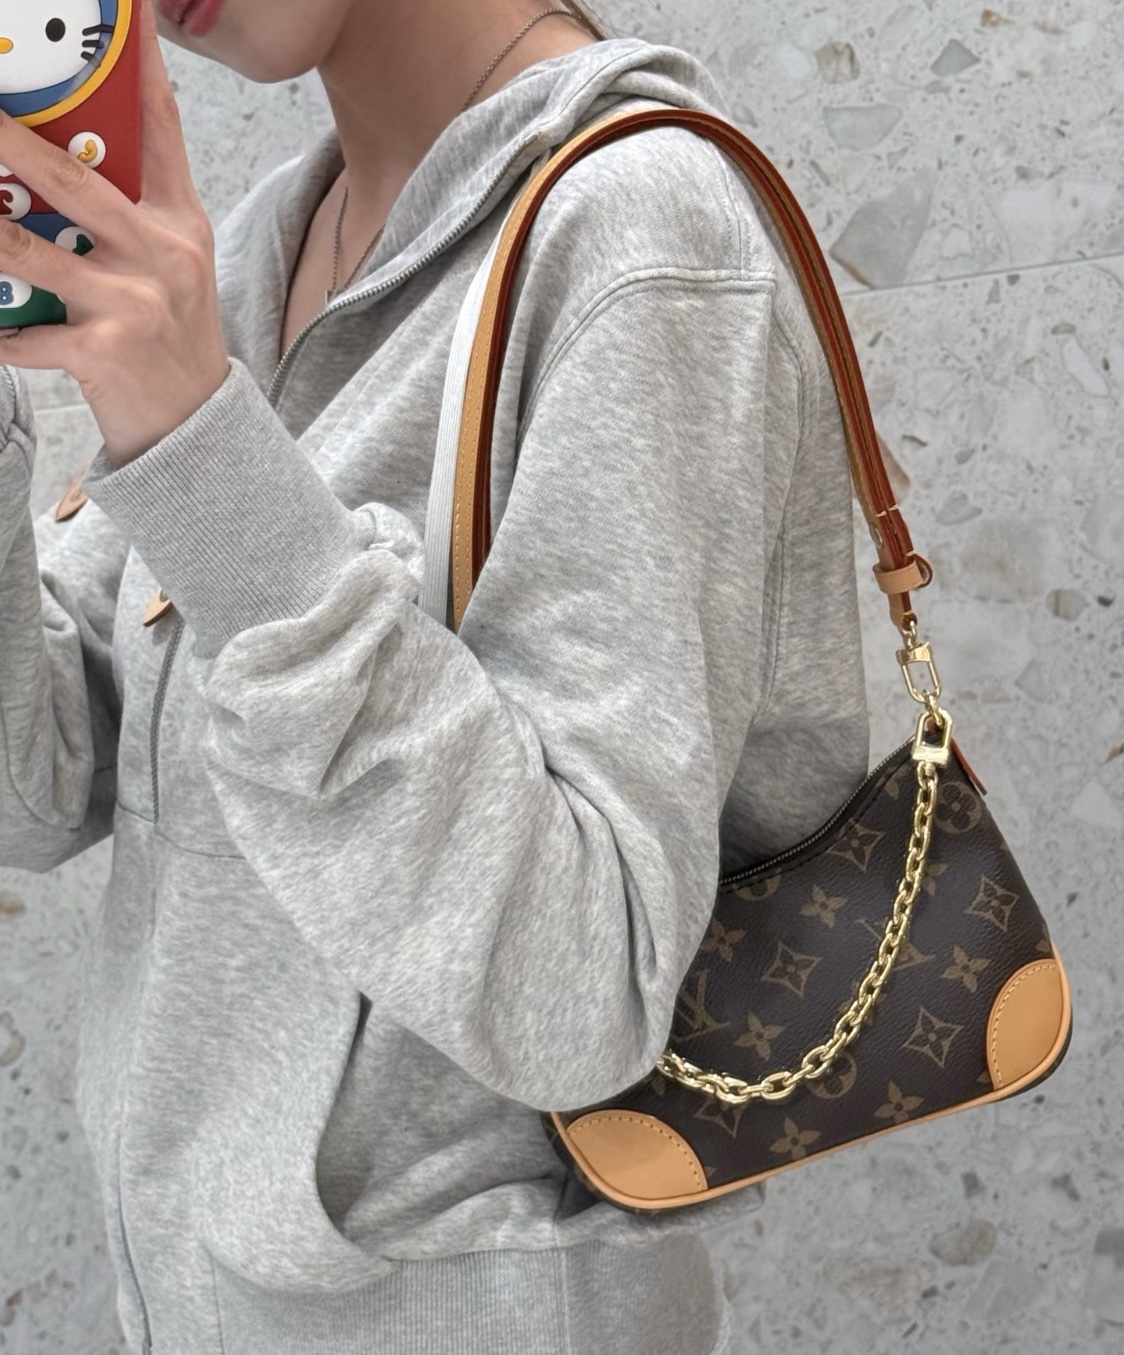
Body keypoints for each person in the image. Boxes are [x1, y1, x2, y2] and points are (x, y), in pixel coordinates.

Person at [0, 0, 869, 1351]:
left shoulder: (639, 232)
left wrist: (198, 445)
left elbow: (584, 991)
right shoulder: (257, 253)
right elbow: (39, 789)